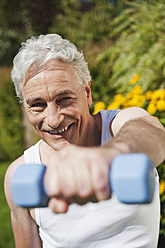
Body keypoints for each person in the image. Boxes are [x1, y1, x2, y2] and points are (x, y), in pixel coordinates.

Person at [4, 34, 165, 248]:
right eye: (37, 105)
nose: (53, 120)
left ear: (87, 93)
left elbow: (153, 135)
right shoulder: (19, 174)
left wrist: (108, 157)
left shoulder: (118, 126)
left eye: (64, 99)